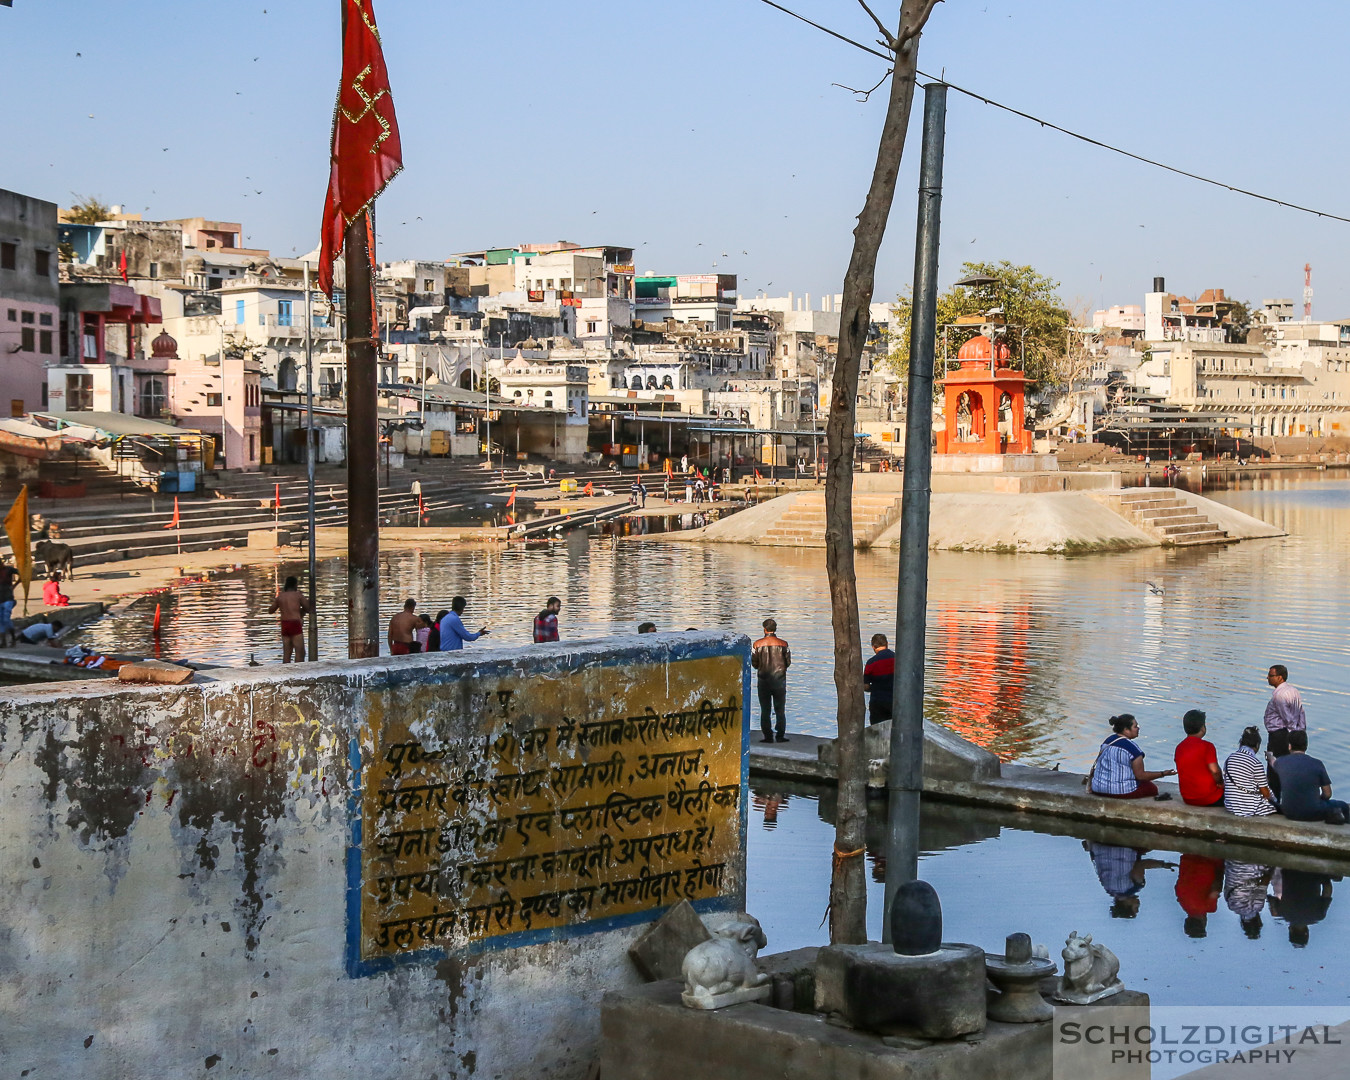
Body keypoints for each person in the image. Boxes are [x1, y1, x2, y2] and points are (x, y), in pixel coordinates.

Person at [1088, 714, 1176, 799]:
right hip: (1121, 791)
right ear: (1126, 729)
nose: (1138, 728)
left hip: (1098, 788)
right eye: (1135, 726)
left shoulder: (1107, 741)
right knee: (1152, 788)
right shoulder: (1133, 749)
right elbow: (1141, 776)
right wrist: (1163, 773)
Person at [1272, 730, 1348, 824]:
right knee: (1343, 806)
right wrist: (1319, 800)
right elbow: (1328, 794)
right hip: (1312, 813)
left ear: (1290, 746)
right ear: (1306, 746)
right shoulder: (1317, 764)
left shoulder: (1280, 762)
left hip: (1289, 812)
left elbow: (1273, 764)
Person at [1268, 869, 1333, 946]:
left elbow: (1327, 889)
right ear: (1290, 930)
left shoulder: (1319, 915)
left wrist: (1324, 878)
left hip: (1314, 872)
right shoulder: (1284, 913)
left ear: (1307, 931)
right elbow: (1271, 899)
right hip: (1289, 870)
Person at [1222, 726, 1277, 817]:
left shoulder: (1229, 759)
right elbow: (1266, 793)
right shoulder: (1255, 763)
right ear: (1257, 745)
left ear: (1241, 742)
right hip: (1248, 808)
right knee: (1273, 806)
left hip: (1230, 805)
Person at [751, 618, 791, 744]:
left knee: (765, 710)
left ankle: (767, 736)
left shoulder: (757, 644)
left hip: (764, 681)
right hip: (779, 681)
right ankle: (780, 736)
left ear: (765, 629)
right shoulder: (784, 644)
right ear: (775, 629)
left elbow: (754, 663)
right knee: (780, 709)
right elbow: (788, 662)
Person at [1174, 709, 1224, 806]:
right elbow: (1215, 771)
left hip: (1188, 798)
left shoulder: (1179, 747)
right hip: (1210, 798)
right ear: (1203, 728)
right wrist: (1220, 782)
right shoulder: (1207, 746)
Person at [1174, 853, 1225, 938]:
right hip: (1188, 857)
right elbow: (1177, 885)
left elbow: (1215, 891)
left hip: (1209, 860)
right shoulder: (1182, 901)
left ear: (1204, 922)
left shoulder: (1209, 907)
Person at [1263, 664, 1305, 764]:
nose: (1267, 677)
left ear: (1280, 677)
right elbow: (1301, 712)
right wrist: (1301, 732)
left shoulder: (1280, 695)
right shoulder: (1294, 691)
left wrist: (1290, 734)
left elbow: (1287, 717)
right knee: (1288, 763)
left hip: (1280, 735)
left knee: (1276, 764)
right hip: (1291, 733)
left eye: (1270, 675)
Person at [267, 576, 310, 663]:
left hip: (285, 624)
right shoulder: (298, 595)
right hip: (295, 623)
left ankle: (286, 674)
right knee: (300, 652)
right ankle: (298, 673)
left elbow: (270, 611)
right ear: (295, 585)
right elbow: (308, 609)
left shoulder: (280, 597)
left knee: (287, 653)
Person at [863, 633, 894, 726]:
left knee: (877, 731)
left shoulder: (871, 663)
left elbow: (865, 686)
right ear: (887, 644)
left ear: (873, 647)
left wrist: (875, 687)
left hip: (877, 702)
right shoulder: (898, 659)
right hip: (896, 702)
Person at [0, 560, 18, 647]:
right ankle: (3, 642)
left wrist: (15, 585)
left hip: (8, 598)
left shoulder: (8, 570)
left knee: (6, 620)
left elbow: (22, 574)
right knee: (1, 621)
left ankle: (13, 638)